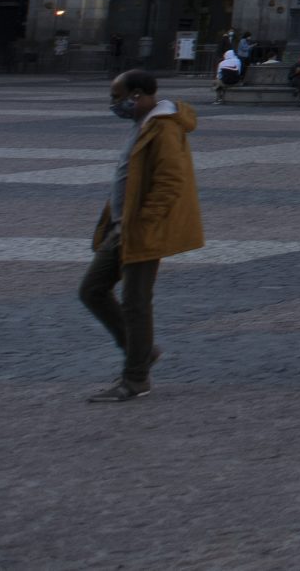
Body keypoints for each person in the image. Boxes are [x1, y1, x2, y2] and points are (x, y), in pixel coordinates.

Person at [78, 70, 204, 402]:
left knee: (136, 303)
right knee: (92, 290)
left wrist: (144, 223)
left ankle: (135, 379)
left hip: (140, 230)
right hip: (123, 227)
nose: (113, 103)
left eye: (116, 96)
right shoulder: (145, 123)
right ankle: (141, 352)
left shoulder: (163, 128)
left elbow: (169, 182)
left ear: (137, 94)